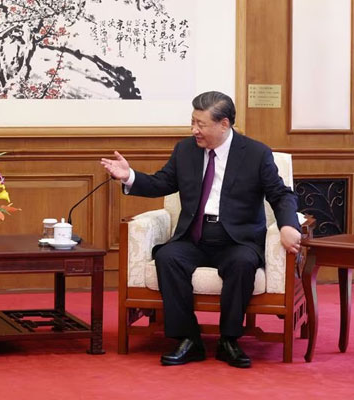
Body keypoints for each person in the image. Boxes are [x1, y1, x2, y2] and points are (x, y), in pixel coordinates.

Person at [101, 91, 301, 368]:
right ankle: (188, 339)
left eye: (201, 124)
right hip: (194, 237)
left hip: (236, 240)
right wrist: (130, 176)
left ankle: (229, 340)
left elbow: (281, 195)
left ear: (224, 124)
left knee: (242, 263)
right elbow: (162, 183)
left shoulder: (256, 154)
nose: (194, 130)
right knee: (168, 257)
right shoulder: (185, 150)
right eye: (192, 122)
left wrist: (288, 226)